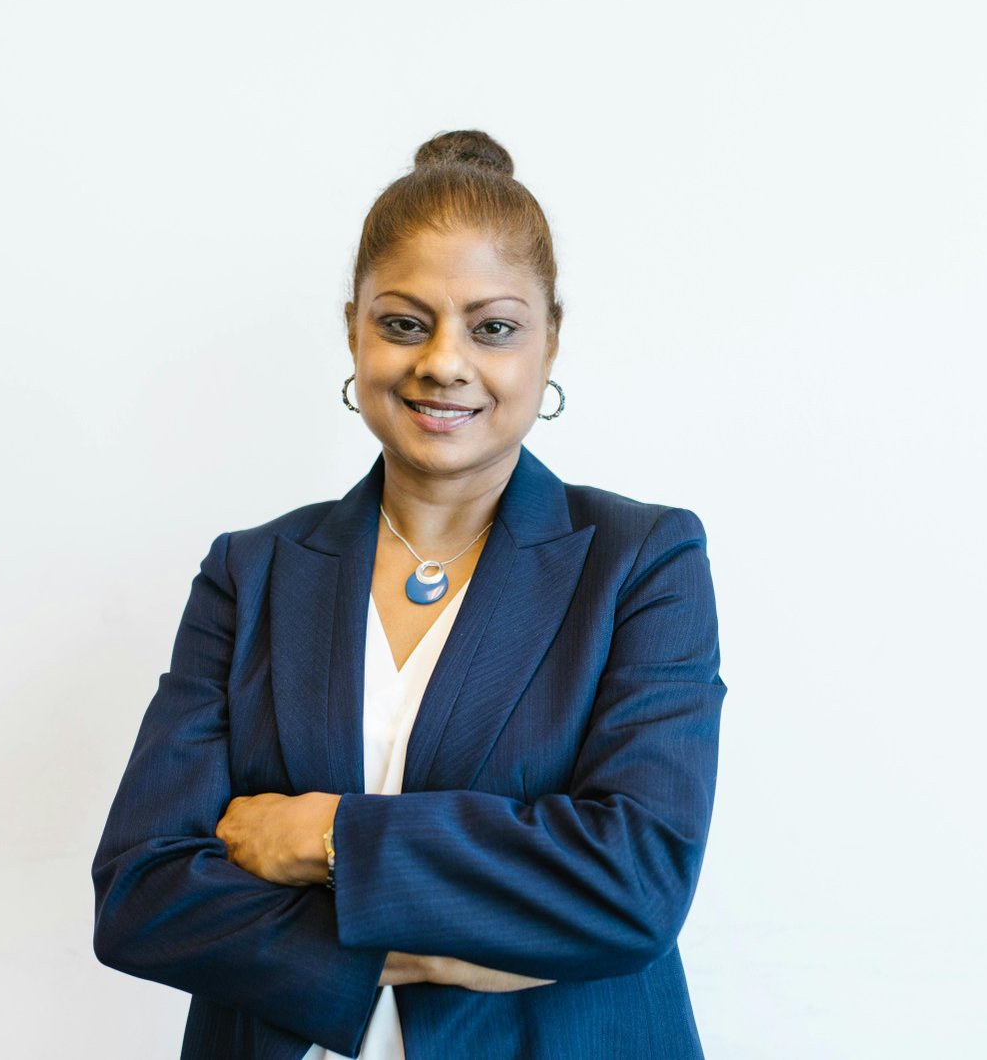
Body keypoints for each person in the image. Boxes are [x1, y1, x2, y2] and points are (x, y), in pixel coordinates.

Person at [91, 129, 725, 1060]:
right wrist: (421, 949)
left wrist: (326, 833)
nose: (443, 361)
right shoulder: (251, 572)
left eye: (493, 327)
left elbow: (635, 882)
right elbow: (141, 891)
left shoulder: (642, 562)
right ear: (355, 328)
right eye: (403, 323)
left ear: (550, 340)